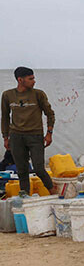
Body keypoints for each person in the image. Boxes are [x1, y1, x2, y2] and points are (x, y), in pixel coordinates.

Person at [1, 66, 56, 195]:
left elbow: (50, 114)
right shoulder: (8, 95)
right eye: (30, 78)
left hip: (35, 136)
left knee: (39, 169)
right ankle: (25, 198)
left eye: (33, 78)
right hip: (16, 136)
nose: (34, 81)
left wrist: (49, 133)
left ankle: (55, 194)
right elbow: (4, 117)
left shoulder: (38, 94)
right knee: (22, 170)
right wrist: (5, 137)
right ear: (20, 80)